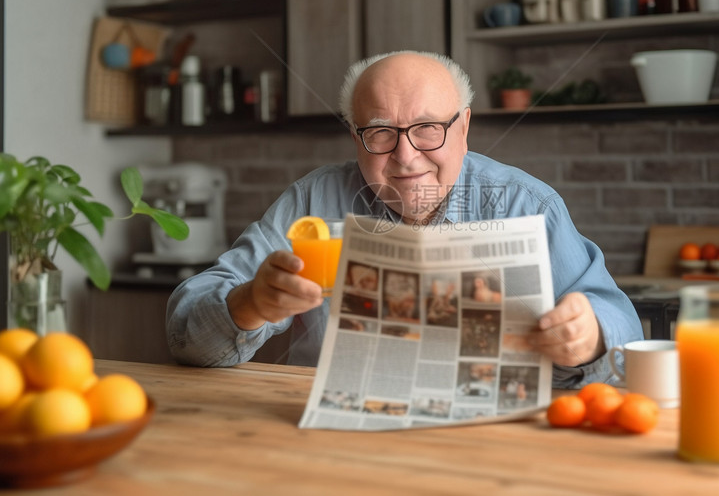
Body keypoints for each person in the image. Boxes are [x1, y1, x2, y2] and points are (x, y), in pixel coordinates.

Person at [166, 50, 643, 388]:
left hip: (495, 444)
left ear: (465, 128)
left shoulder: (526, 204)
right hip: (335, 443)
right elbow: (185, 334)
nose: (406, 157)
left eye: (428, 129)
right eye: (380, 133)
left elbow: (623, 329)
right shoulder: (313, 200)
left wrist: (590, 336)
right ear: (356, 137)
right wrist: (250, 303)